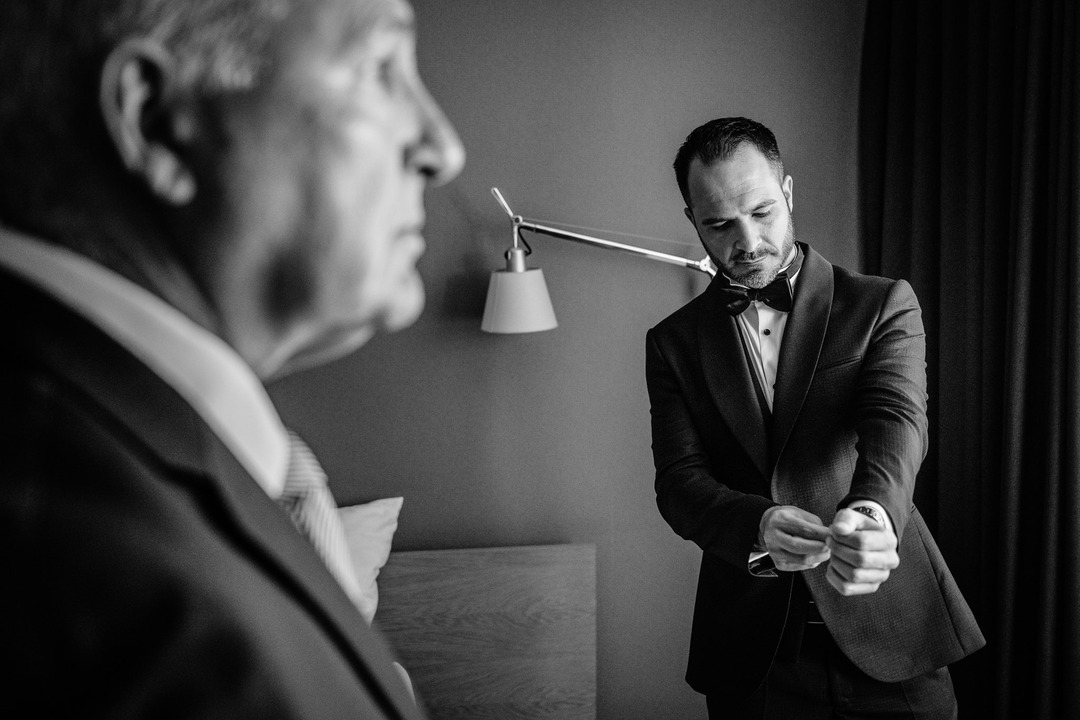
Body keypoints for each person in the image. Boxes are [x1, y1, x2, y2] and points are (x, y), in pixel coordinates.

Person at [0, 0, 463, 717]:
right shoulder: (72, 572)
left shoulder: (130, 449)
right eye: (378, 68)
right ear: (156, 119)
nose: (442, 146)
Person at [645, 117, 984, 719]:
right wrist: (757, 524)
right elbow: (678, 482)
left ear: (790, 194)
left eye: (762, 211)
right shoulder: (672, 342)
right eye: (719, 224)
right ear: (693, 222)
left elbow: (896, 421)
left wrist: (873, 511)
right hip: (755, 659)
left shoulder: (881, 303)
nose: (746, 241)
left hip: (894, 637)